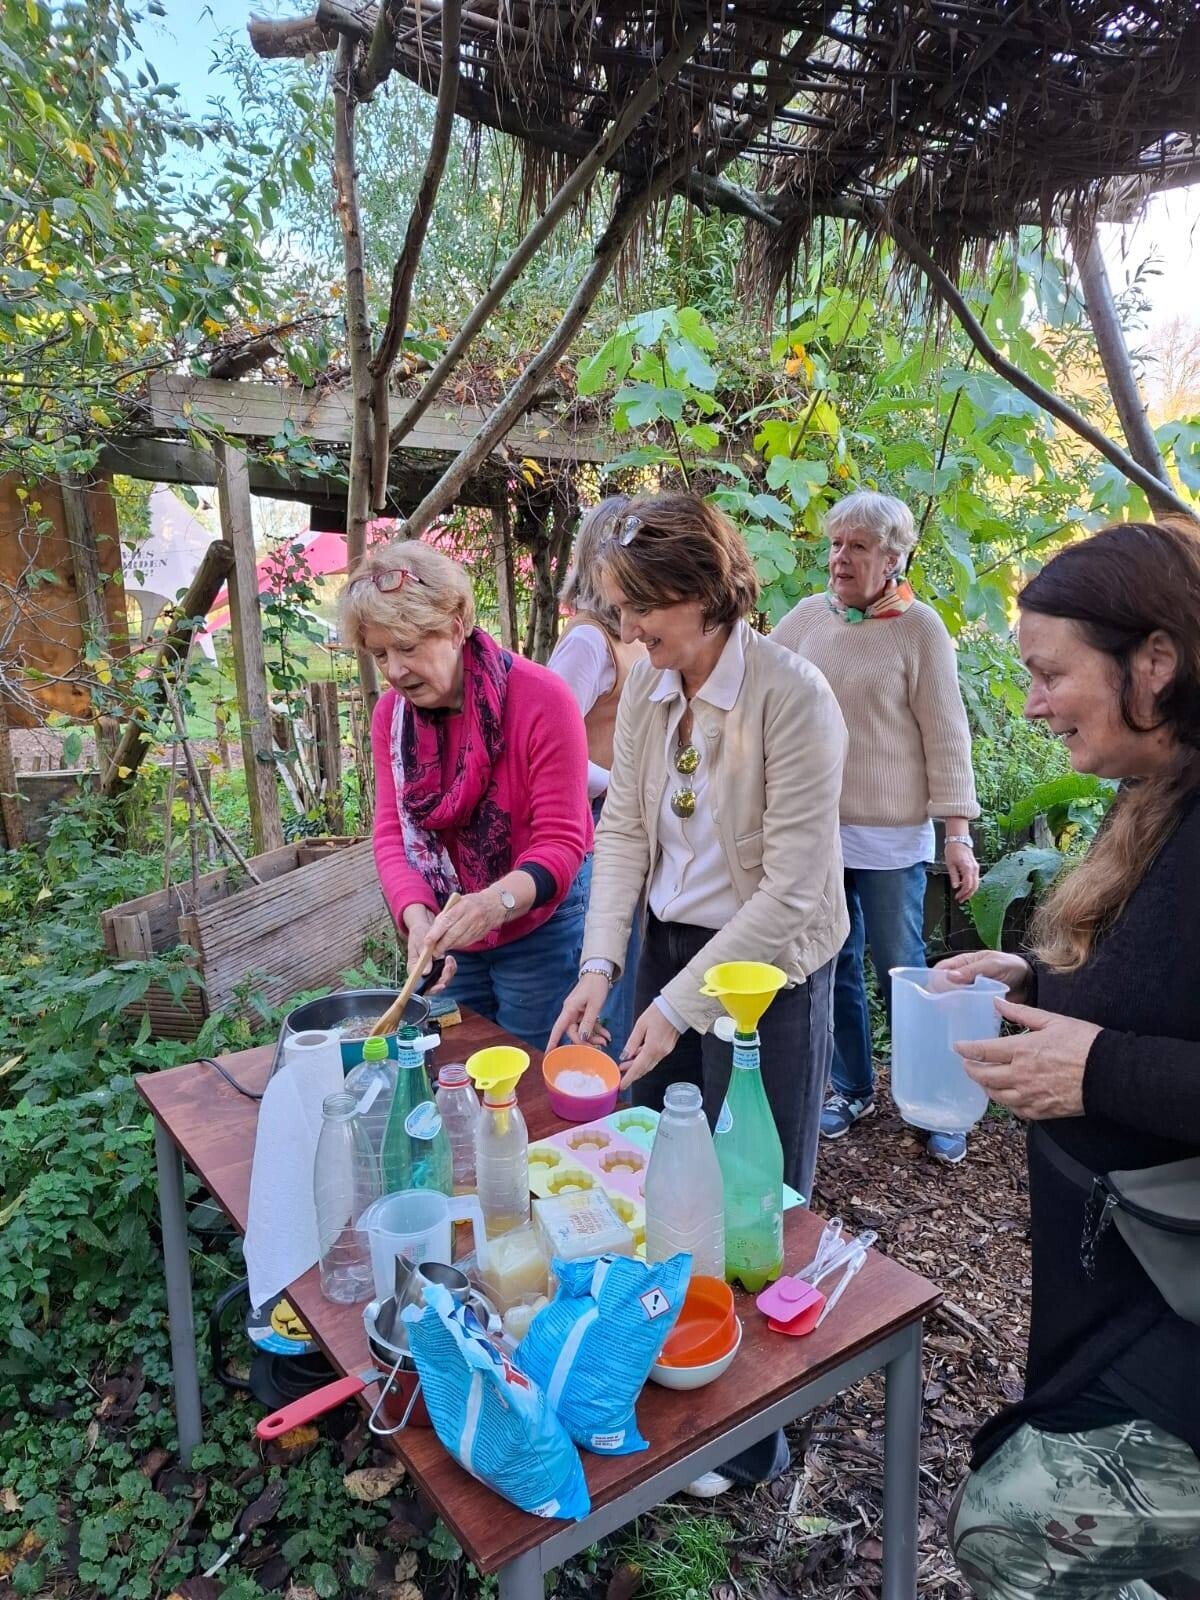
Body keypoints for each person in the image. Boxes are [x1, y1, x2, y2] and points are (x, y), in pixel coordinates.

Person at [548, 491, 848, 1497]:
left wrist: (677, 1003)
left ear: (707, 592)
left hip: (770, 968)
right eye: (623, 609)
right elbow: (626, 833)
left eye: (646, 610)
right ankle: (671, 1368)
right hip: (670, 949)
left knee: (754, 1194)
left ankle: (757, 1425)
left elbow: (792, 889)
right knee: (664, 1173)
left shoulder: (794, 698)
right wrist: (600, 968)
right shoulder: (647, 686)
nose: (630, 631)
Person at [937, 521, 1200, 1599]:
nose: (1033, 703)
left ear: (1154, 662)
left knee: (1011, 1527)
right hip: (1125, 1264)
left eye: (1050, 673)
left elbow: (1136, 1054)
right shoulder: (1157, 794)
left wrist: (1095, 1073)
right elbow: (1165, 995)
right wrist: (1042, 989)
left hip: (1176, 1297)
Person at [773, 490, 981, 1164]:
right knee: (830, 964)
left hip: (893, 838)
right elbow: (751, 685)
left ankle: (934, 1103)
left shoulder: (920, 628)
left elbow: (948, 739)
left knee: (905, 971)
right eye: (837, 544)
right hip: (819, 831)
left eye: (858, 547)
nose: (840, 558)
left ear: (893, 558)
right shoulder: (807, 619)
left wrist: (956, 835)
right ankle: (850, 1088)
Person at [339, 539, 593, 1050]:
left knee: (538, 1072)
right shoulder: (392, 720)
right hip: (453, 935)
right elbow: (391, 835)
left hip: (541, 924)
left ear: (456, 626)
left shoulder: (542, 700)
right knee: (466, 1065)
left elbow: (562, 843)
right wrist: (417, 916)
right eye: (380, 653)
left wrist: (495, 902)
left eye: (408, 647)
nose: (394, 670)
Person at [547, 496, 647, 1058]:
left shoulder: (631, 634)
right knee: (606, 964)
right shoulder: (589, 640)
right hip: (595, 824)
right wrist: (617, 783)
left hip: (624, 815)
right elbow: (552, 752)